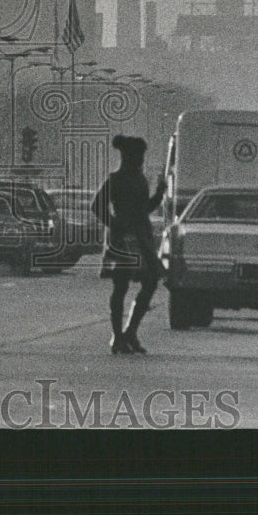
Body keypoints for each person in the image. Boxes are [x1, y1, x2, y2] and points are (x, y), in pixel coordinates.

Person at [93, 135, 165, 355]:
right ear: (128, 156)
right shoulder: (116, 179)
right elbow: (97, 205)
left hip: (141, 238)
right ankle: (119, 336)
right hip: (125, 238)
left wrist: (159, 194)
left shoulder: (140, 179)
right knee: (121, 286)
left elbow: (144, 209)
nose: (141, 160)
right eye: (139, 156)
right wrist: (114, 224)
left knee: (150, 282)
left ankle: (129, 331)